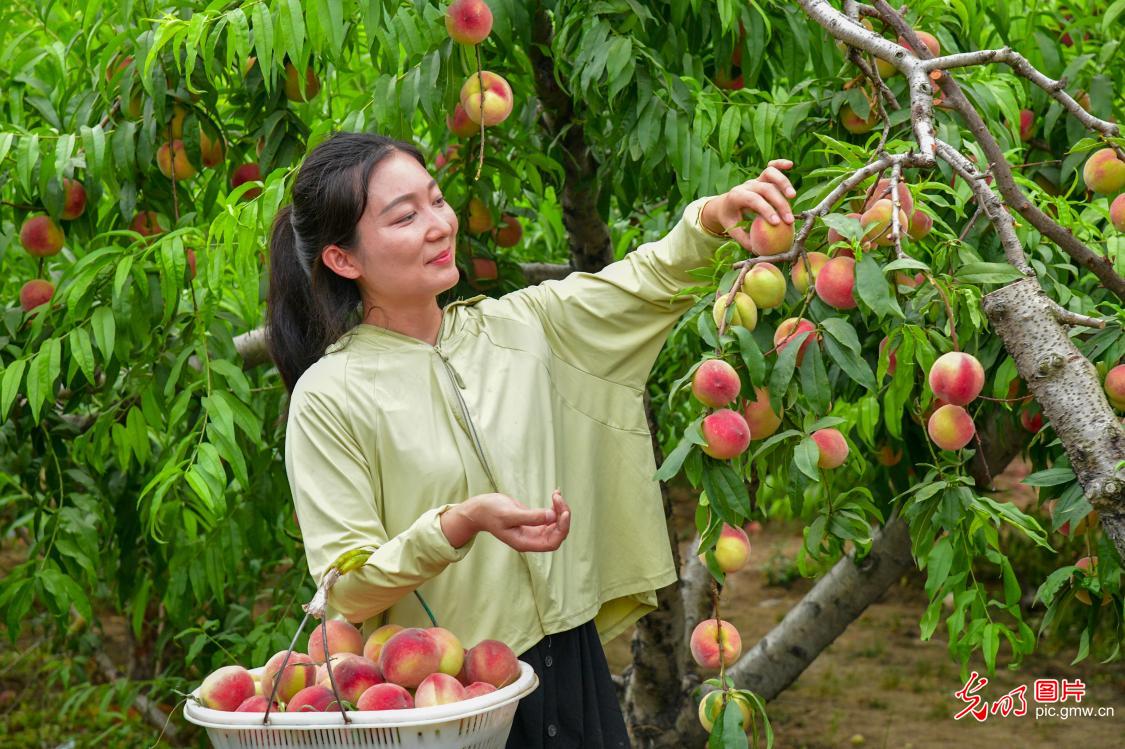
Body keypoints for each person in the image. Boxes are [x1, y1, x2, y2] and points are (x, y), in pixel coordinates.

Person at [268, 131, 794, 747]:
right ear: (343, 259)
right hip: (447, 694)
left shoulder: (523, 327)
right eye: (405, 216)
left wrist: (710, 219)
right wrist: (457, 524)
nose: (439, 224)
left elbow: (643, 283)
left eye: (437, 201)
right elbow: (344, 587)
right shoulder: (330, 394)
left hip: (567, 666)